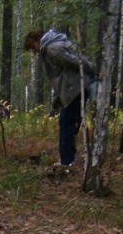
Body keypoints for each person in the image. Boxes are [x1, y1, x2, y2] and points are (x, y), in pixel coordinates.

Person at [24, 29, 97, 168]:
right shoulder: (57, 44)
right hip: (74, 88)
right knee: (70, 123)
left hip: (73, 90)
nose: (35, 51)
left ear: (38, 40)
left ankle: (67, 161)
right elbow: (63, 72)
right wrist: (58, 97)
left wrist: (92, 68)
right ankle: (68, 158)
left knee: (67, 124)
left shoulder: (52, 49)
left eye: (33, 47)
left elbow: (77, 62)